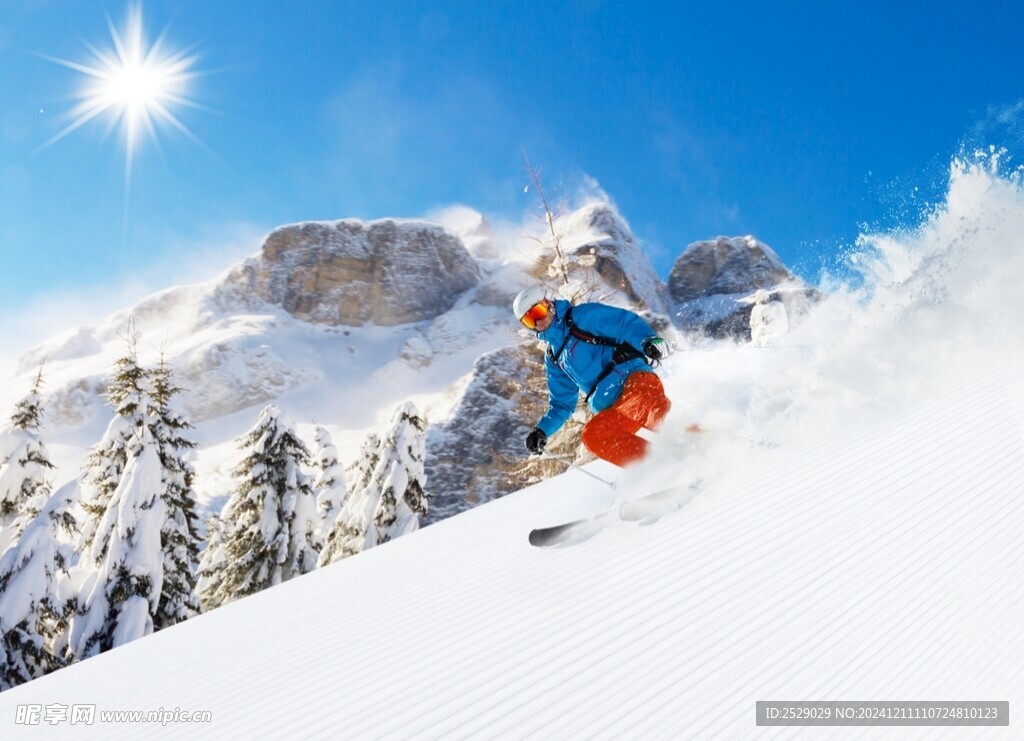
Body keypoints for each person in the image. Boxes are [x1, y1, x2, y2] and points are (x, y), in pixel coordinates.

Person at [513, 285, 673, 468]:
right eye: (529, 321)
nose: (537, 323)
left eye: (537, 313)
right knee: (595, 435)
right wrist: (542, 431)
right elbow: (562, 404)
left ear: (547, 303)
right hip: (615, 409)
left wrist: (647, 341)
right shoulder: (554, 358)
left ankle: (690, 451)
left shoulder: (580, 317)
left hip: (635, 382)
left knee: (663, 420)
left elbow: (622, 323)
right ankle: (660, 470)